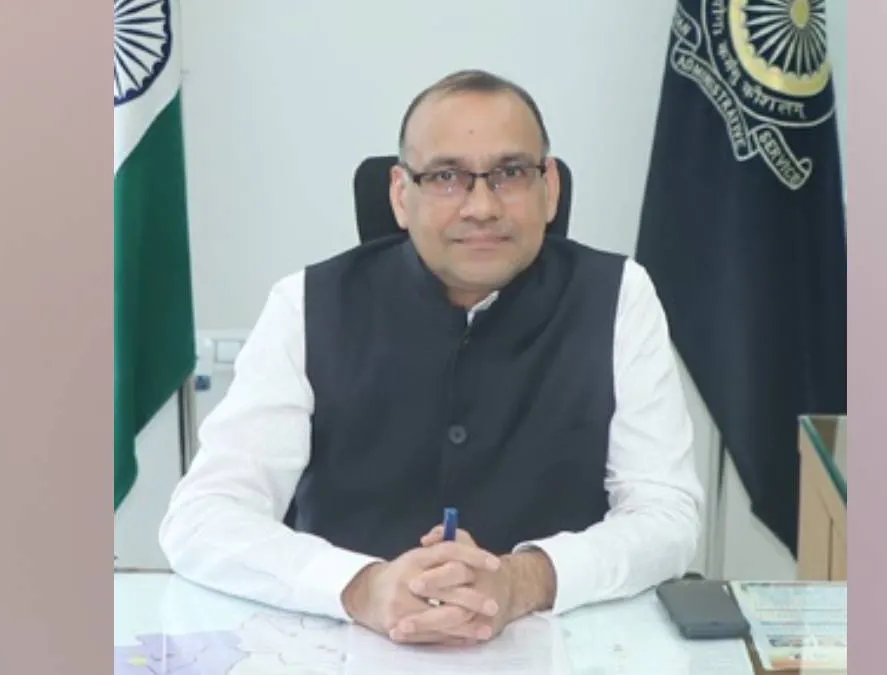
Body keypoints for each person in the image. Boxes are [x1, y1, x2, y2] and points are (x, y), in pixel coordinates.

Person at [158, 68, 705, 647]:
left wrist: (524, 580)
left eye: (510, 173)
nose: (482, 206)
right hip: (343, 646)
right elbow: (202, 517)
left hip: (558, 645)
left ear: (550, 188)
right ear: (400, 194)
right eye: (446, 177)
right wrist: (361, 586)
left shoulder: (619, 296)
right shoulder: (307, 304)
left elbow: (666, 514)